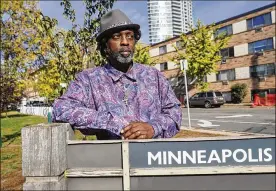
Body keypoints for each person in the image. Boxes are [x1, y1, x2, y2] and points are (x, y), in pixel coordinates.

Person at [52, 9, 182, 140]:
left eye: (130, 36)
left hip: (152, 156)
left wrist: (153, 128)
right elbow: (61, 109)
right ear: (105, 46)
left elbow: (174, 113)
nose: (125, 42)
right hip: (110, 157)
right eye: (116, 37)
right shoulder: (88, 79)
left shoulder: (154, 76)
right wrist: (111, 122)